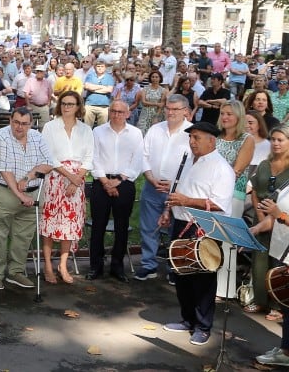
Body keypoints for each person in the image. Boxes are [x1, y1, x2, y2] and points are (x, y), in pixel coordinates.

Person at [160, 121, 235, 347]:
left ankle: (203, 327)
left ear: (211, 141)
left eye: (197, 138)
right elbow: (178, 191)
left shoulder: (221, 168)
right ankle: (188, 319)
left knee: (202, 279)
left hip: (205, 227)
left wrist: (186, 201)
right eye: (190, 137)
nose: (191, 142)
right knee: (181, 275)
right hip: (181, 223)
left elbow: (219, 204)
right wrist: (168, 210)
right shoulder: (187, 161)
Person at [0, 107, 56, 290]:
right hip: (2, 191)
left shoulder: (37, 137)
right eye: (16, 122)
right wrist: (20, 194)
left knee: (23, 236)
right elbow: (4, 170)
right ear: (10, 120)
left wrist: (29, 176)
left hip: (32, 192)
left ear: (30, 124)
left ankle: (16, 271)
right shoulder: (1, 137)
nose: (19, 127)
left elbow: (48, 163)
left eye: (24, 124)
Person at [133, 94, 193, 282]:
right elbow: (143, 155)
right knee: (149, 227)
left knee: (177, 230)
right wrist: (150, 178)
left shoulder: (192, 133)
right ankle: (148, 265)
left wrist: (177, 183)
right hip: (153, 186)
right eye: (168, 108)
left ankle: (174, 267)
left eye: (175, 109)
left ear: (185, 111)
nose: (170, 112)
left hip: (179, 191)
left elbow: (194, 162)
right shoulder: (155, 129)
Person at [39, 90, 94, 285]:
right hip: (55, 179)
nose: (67, 107)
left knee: (69, 226)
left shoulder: (86, 130)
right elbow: (48, 156)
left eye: (71, 104)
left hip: (76, 182)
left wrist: (76, 180)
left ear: (78, 107)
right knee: (50, 225)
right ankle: (46, 265)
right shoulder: (50, 127)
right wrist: (69, 176)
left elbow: (89, 158)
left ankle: (63, 264)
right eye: (64, 103)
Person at [87, 100, 144, 281]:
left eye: (121, 112)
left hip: (124, 183)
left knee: (121, 227)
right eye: (113, 111)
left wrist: (118, 181)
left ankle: (117, 267)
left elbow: (137, 160)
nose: (117, 115)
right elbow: (93, 157)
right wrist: (105, 182)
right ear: (109, 112)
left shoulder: (136, 134)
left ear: (128, 114)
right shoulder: (97, 131)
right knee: (98, 226)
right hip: (101, 182)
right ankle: (95, 266)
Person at [248, 125, 289, 318]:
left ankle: (278, 305)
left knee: (278, 264)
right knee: (259, 262)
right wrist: (261, 217)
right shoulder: (264, 164)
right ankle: (260, 301)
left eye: (280, 140)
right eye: (273, 139)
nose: (276, 143)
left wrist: (274, 216)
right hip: (262, 216)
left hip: (282, 221)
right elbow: (255, 191)